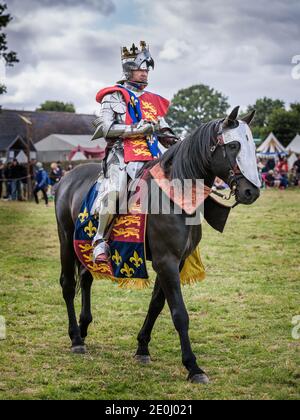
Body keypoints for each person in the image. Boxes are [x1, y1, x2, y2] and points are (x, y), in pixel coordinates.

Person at [91, 40, 177, 263]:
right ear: (129, 70)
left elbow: (164, 130)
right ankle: (100, 240)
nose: (145, 73)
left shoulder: (152, 100)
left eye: (147, 69)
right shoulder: (114, 96)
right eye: (141, 68)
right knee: (116, 190)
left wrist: (178, 143)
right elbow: (104, 128)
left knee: (180, 183)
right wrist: (135, 129)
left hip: (152, 155)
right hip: (122, 155)